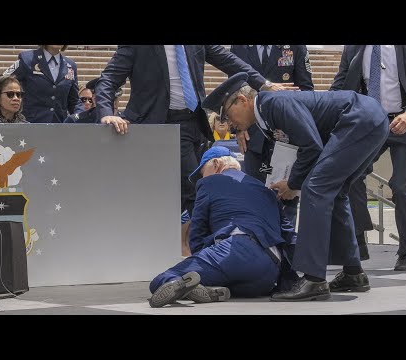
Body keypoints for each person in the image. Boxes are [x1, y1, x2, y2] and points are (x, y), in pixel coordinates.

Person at [202, 72, 390, 301]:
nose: (229, 124)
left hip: (359, 119)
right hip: (367, 119)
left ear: (242, 100)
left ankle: (314, 280)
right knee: (335, 193)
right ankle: (353, 273)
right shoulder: (265, 116)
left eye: (227, 114)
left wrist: (293, 184)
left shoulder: (274, 103)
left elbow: (311, 146)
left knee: (316, 189)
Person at [96, 45, 283, 218]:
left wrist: (263, 84)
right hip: (161, 125)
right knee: (196, 190)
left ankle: (185, 242)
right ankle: (207, 244)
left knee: (186, 191)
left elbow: (228, 60)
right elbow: (109, 78)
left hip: (196, 123)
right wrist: (106, 113)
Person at [149, 146, 297, 308]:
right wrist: (293, 279)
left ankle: (187, 286)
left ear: (216, 163)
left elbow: (197, 231)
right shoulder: (266, 190)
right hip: (268, 271)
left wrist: (200, 260)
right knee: (231, 284)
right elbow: (289, 237)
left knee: (162, 280)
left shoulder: (209, 183)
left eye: (202, 172)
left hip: (234, 251)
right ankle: (210, 290)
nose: (202, 177)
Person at [330, 45, 406, 270]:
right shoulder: (353, 49)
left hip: (405, 124)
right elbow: (340, 85)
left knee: (402, 188)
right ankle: (359, 240)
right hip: (369, 124)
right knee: (351, 175)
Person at [231, 45, 314, 228]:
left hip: (286, 135)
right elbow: (233, 90)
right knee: (255, 194)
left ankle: (285, 249)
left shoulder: (295, 47)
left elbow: (306, 89)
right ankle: (260, 248)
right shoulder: (239, 47)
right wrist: (239, 128)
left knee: (285, 197)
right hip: (253, 136)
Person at [0, 45, 85, 123]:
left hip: (58, 129)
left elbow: (74, 101)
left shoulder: (71, 66)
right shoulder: (27, 59)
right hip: (29, 129)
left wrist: (80, 117)